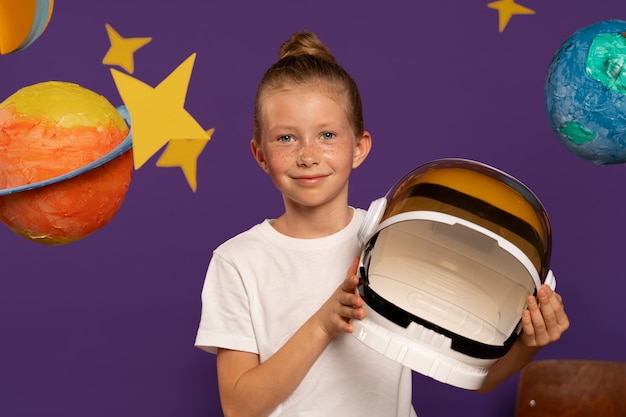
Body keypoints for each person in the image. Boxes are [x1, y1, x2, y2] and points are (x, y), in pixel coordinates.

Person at [195, 31, 570, 417]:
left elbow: (476, 377)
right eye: (286, 138)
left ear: (359, 146)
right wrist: (323, 324)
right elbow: (240, 408)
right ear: (260, 154)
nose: (308, 155)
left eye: (327, 135)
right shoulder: (237, 261)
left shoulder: (399, 238)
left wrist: (530, 343)